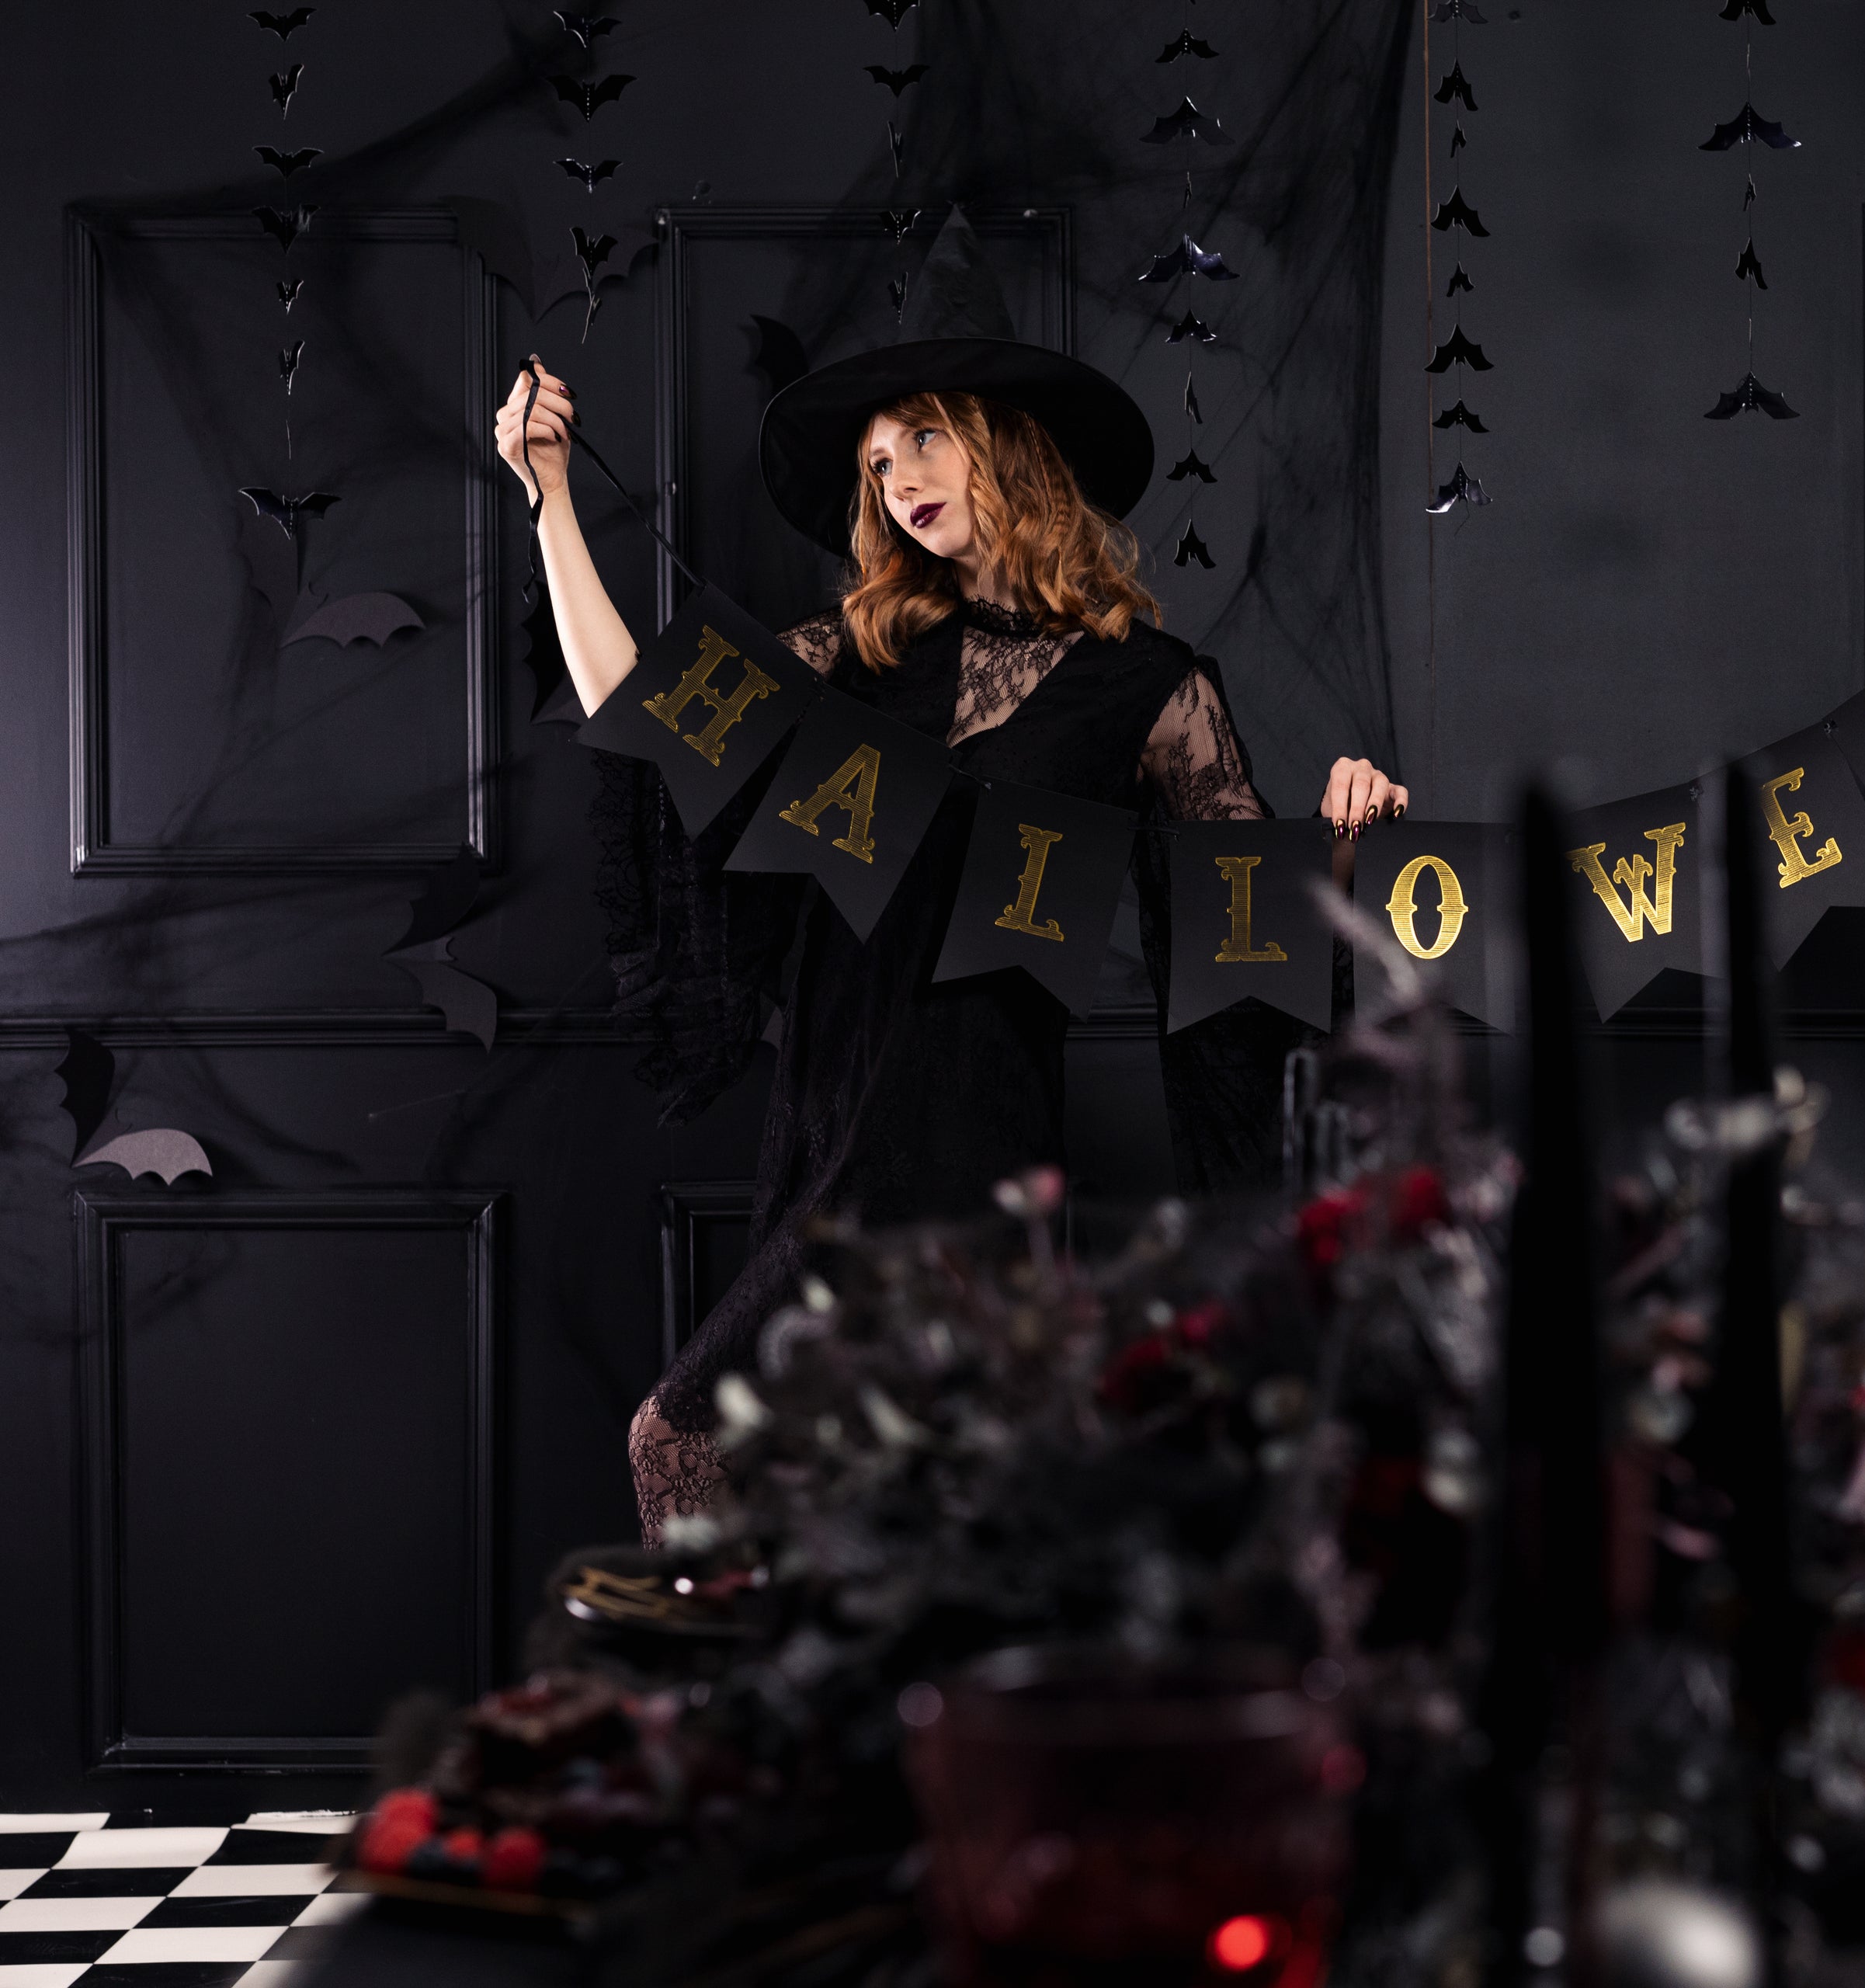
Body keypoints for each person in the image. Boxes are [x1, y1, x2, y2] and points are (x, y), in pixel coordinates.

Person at [496, 337, 1409, 1539]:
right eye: (877, 465)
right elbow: (640, 716)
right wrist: (553, 499)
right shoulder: (854, 659)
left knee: (727, 1450)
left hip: (972, 1129)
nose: (899, 478)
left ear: (1006, 449)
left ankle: (794, 1717)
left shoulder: (1146, 686)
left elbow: (1244, 915)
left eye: (925, 439)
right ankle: (798, 1721)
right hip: (830, 1123)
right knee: (843, 1487)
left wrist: (1351, 840)